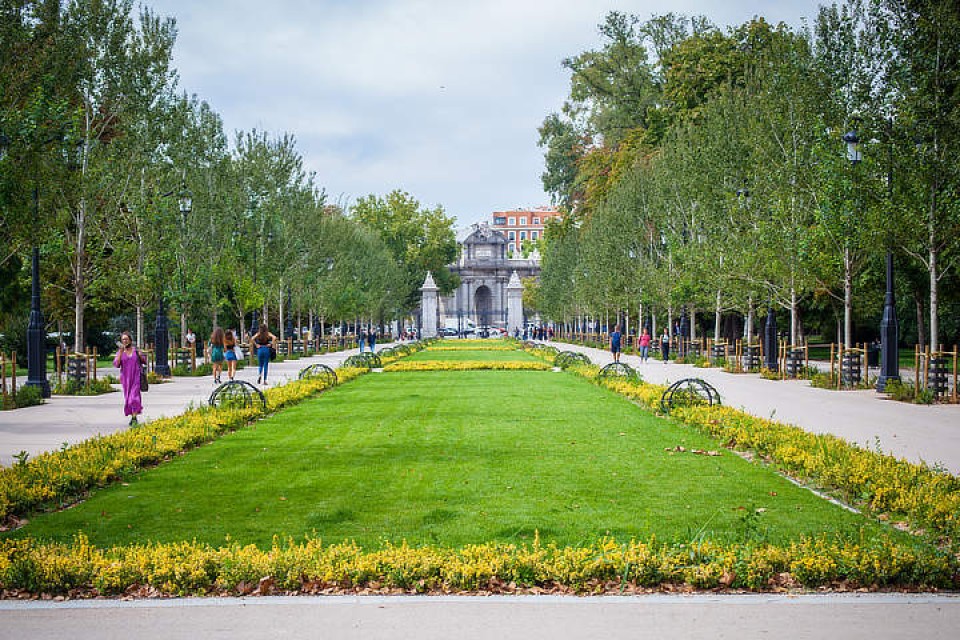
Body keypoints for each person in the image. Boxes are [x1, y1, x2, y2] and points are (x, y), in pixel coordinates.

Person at [113, 331, 146, 426]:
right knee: (128, 398)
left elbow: (144, 361)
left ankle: (134, 418)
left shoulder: (135, 350)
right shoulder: (120, 352)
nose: (125, 341)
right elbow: (116, 364)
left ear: (130, 340)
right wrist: (120, 353)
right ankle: (133, 416)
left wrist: (141, 355)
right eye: (123, 339)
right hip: (125, 379)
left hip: (136, 377)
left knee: (134, 398)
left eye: (126, 339)